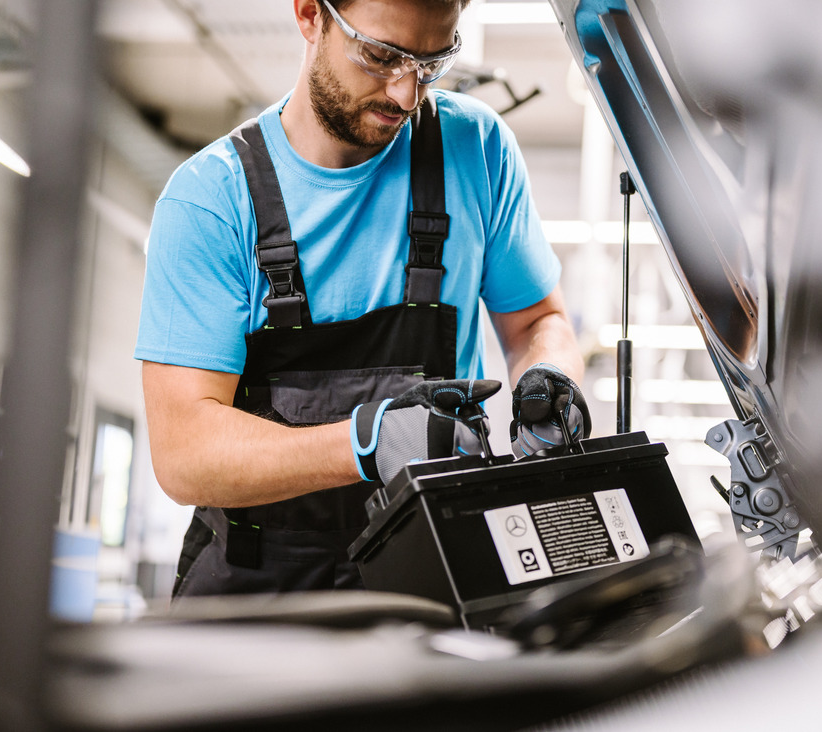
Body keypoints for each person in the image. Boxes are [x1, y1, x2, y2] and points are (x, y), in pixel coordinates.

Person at [134, 0, 592, 598]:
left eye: (432, 63)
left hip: (438, 576)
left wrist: (550, 373)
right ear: (307, 14)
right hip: (256, 599)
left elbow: (539, 319)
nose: (405, 94)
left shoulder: (476, 150)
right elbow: (185, 454)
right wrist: (365, 442)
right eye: (380, 56)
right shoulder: (210, 201)